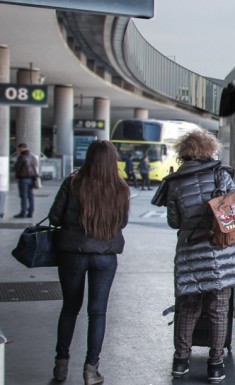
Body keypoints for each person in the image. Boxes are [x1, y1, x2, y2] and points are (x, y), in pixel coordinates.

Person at [153, 130, 235, 384]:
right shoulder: (221, 175)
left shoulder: (174, 182)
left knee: (187, 309)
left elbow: (174, 222)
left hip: (190, 254)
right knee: (218, 310)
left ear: (183, 153)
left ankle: (180, 361)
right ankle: (215, 365)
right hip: (221, 253)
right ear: (208, 150)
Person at [47, 140, 129, 385]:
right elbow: (122, 223)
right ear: (112, 160)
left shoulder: (73, 182)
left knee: (70, 308)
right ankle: (91, 370)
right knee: (98, 312)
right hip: (105, 256)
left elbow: (54, 217)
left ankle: (61, 366)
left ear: (89, 157)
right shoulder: (120, 187)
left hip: (72, 253)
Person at [13, 143, 38, 218]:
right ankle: (31, 212)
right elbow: (35, 166)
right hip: (32, 179)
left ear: (21, 148)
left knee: (23, 196)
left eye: (18, 149)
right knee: (30, 196)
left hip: (23, 179)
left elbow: (17, 167)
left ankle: (23, 212)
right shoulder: (33, 157)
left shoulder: (22, 157)